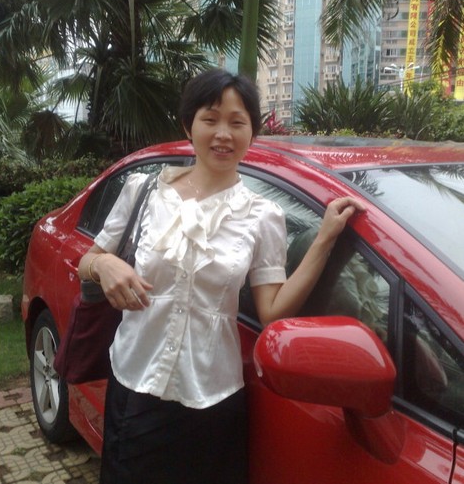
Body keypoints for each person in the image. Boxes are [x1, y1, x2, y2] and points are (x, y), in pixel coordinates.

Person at [78, 68, 365, 484]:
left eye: (237, 122)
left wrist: (323, 240)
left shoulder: (263, 216)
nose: (223, 134)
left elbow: (272, 311)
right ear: (188, 126)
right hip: (137, 387)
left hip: (213, 400)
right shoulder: (144, 191)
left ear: (252, 133)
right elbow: (89, 259)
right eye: (210, 119)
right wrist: (104, 265)